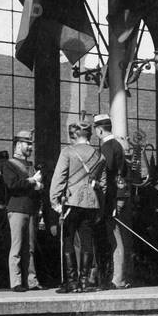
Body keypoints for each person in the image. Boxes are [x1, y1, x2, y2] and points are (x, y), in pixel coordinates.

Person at [49, 120, 104, 294]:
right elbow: (102, 184)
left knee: (68, 240)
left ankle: (71, 282)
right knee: (87, 241)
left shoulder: (68, 152)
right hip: (90, 204)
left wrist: (54, 201)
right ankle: (84, 282)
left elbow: (58, 179)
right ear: (89, 135)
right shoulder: (99, 156)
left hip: (71, 202)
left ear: (75, 135)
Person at [93, 113, 133, 289]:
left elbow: (106, 171)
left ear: (99, 130)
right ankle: (119, 277)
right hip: (120, 195)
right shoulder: (116, 145)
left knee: (116, 238)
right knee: (117, 237)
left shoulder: (108, 147)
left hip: (113, 197)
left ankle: (118, 279)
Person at [2, 129, 43, 292]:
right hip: (17, 208)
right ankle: (16, 282)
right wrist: (32, 181)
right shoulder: (9, 165)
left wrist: (38, 186)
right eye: (28, 144)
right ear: (18, 145)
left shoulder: (30, 165)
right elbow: (12, 185)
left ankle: (31, 281)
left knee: (30, 247)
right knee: (17, 247)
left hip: (30, 208)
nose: (31, 148)